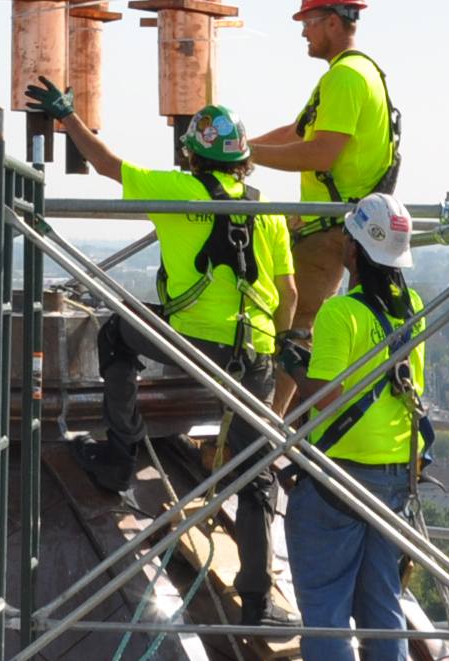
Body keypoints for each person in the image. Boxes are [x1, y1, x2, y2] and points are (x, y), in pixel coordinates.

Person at [25, 82, 296, 627]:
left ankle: (120, 456)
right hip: (256, 355)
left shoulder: (178, 191)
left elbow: (107, 164)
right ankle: (259, 603)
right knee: (255, 475)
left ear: (192, 155)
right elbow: (288, 294)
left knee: (116, 335)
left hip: (193, 344)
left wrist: (69, 118)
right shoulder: (269, 211)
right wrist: (278, 346)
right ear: (243, 162)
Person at [281, 192, 427, 661]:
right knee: (382, 605)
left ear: (351, 247)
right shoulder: (412, 307)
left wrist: (292, 360)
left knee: (324, 605)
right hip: (393, 476)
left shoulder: (342, 315)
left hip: (339, 478)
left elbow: (323, 402)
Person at [249, 0, 401, 409]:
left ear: (334, 22)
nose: (303, 31)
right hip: (338, 222)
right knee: (301, 326)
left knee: (289, 326)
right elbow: (297, 132)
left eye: (310, 21)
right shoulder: (354, 75)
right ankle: (285, 427)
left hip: (332, 227)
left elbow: (320, 154)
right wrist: (239, 146)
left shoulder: (346, 78)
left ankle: (262, 435)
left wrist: (244, 158)